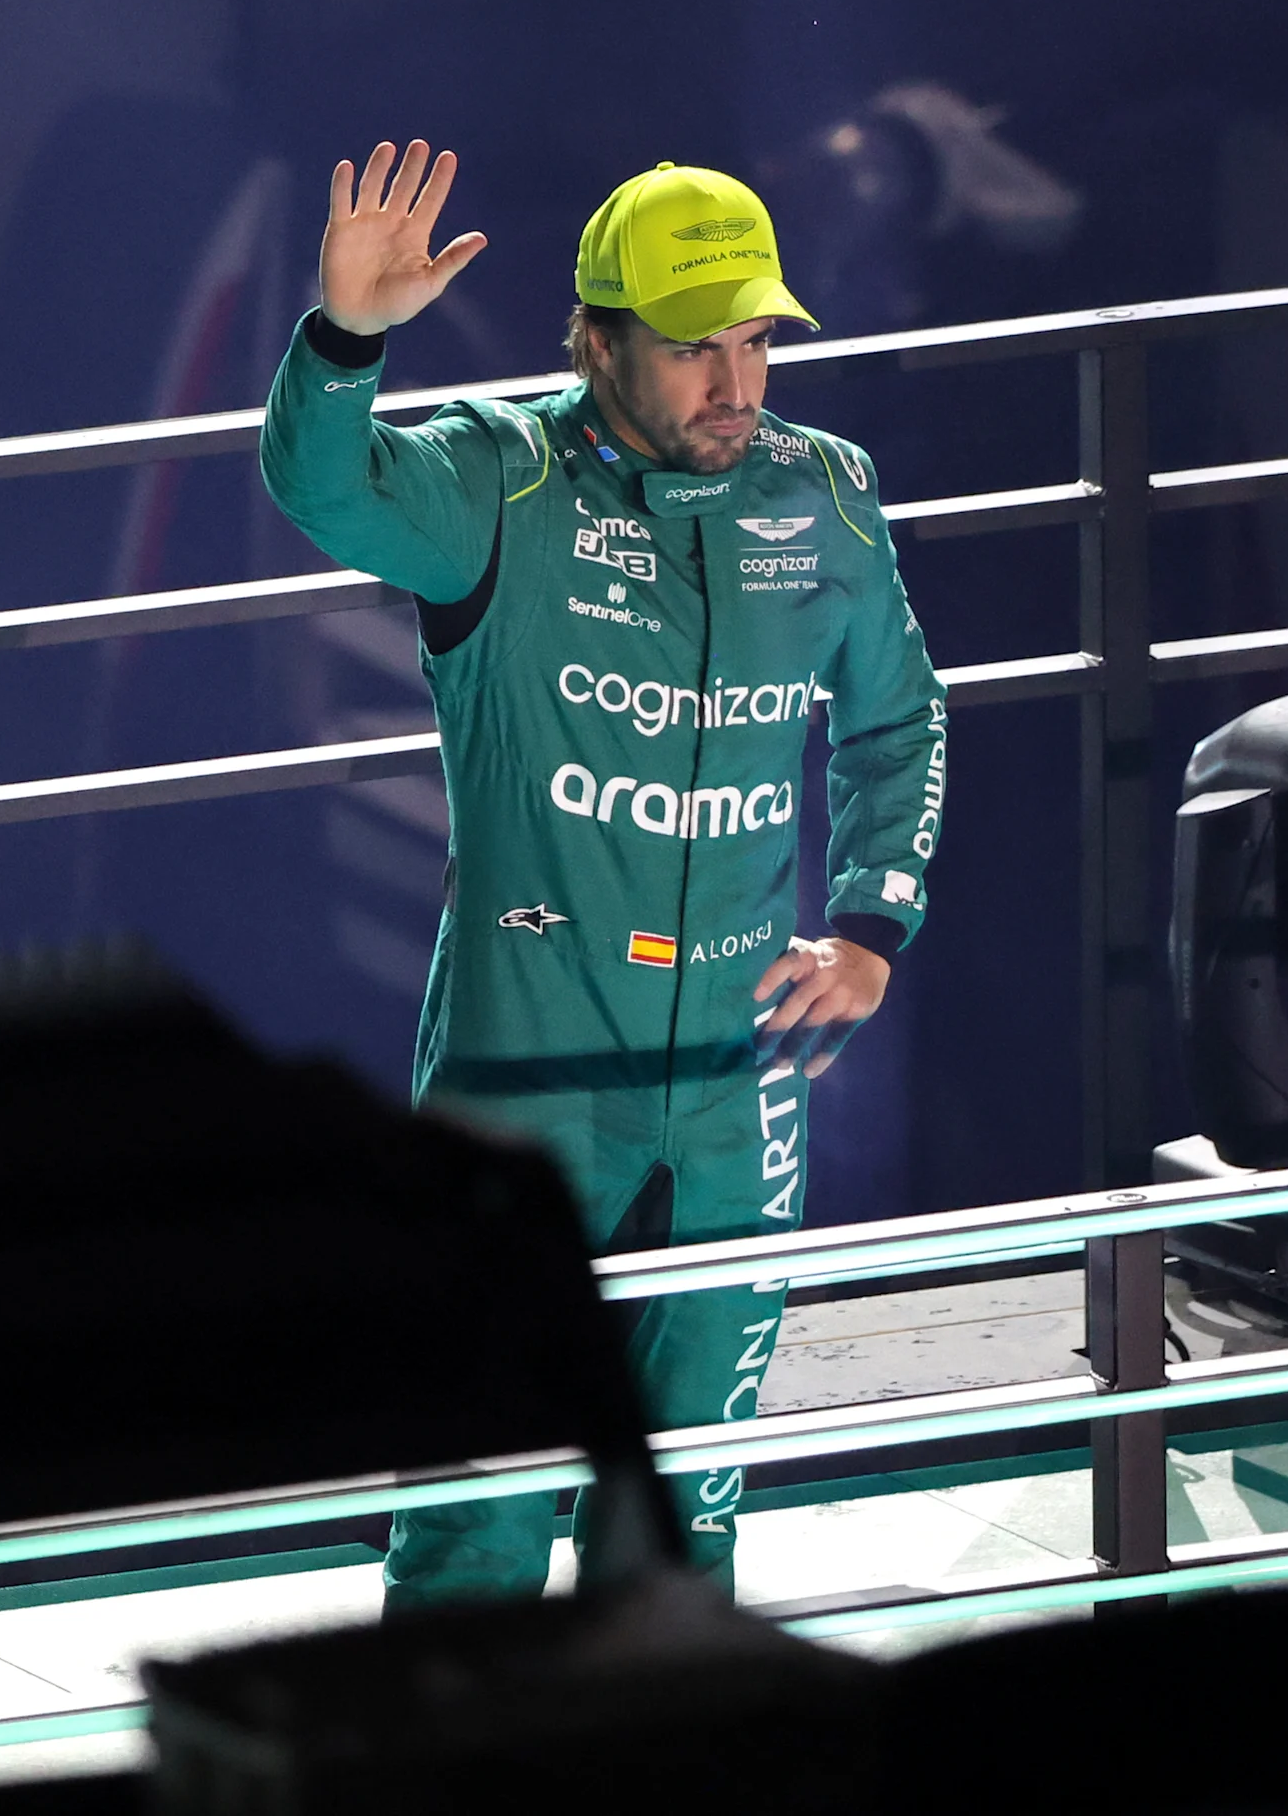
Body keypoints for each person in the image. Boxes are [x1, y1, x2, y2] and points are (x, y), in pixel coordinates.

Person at [260, 144, 947, 1606]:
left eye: (755, 336)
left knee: (685, 1509)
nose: (735, 378)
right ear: (600, 339)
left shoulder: (825, 494)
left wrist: (872, 926)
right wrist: (345, 343)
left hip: (736, 1093)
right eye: (695, 344)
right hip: (527, 1079)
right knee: (480, 1513)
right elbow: (321, 487)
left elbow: (900, 716)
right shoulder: (494, 480)